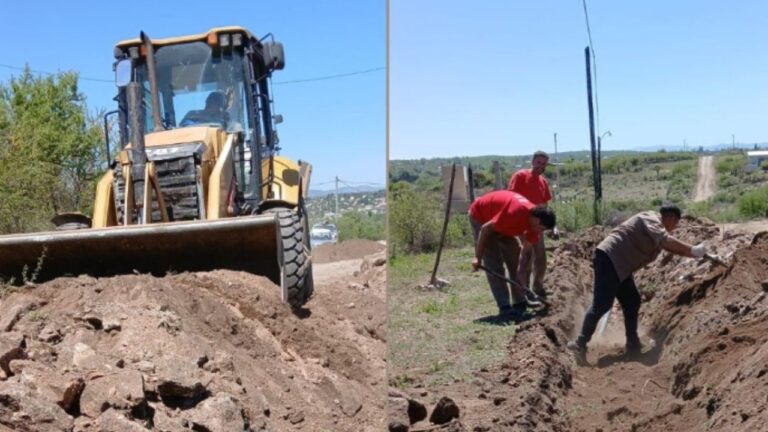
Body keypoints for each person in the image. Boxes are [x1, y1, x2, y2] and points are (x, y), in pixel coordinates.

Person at [566, 205, 707, 360]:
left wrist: (696, 254)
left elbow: (673, 249)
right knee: (602, 304)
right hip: (610, 258)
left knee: (632, 301)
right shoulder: (651, 218)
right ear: (671, 218)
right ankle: (579, 344)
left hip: (621, 265)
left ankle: (632, 343)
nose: (675, 227)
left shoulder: (657, 230)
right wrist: (693, 249)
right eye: (676, 223)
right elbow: (666, 240)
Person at [469, 190, 557, 318]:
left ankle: (519, 302)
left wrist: (520, 272)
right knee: (494, 261)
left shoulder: (534, 225)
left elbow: (526, 250)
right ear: (537, 220)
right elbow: (486, 229)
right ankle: (504, 306)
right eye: (542, 228)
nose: (541, 231)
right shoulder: (515, 213)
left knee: (515, 256)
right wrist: (478, 257)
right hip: (481, 217)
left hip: (501, 222)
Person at [508, 150, 558, 297]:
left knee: (541, 256)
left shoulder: (543, 181)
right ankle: (526, 290)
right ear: (533, 161)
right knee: (527, 256)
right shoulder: (520, 176)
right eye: (539, 163)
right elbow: (512, 197)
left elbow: (545, 205)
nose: (541, 166)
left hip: (538, 225)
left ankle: (538, 287)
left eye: (544, 164)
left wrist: (553, 226)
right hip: (524, 223)